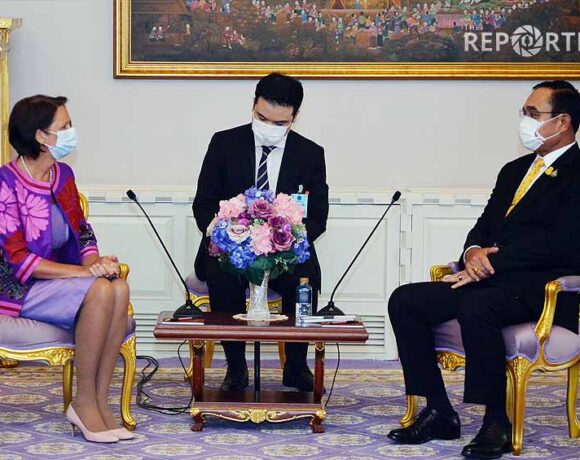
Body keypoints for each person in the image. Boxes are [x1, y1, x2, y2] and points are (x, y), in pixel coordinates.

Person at [387, 80, 580, 459]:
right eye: (524, 112)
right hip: (490, 280)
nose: (525, 121)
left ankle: (496, 422)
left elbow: (560, 243)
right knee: (406, 300)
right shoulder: (514, 169)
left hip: (540, 289)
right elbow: (485, 224)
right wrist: (473, 252)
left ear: (562, 122)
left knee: (478, 307)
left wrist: (489, 264)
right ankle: (439, 410)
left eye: (533, 113)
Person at [1, 95, 133, 443]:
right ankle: (83, 402)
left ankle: (99, 403)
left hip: (63, 282)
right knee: (100, 287)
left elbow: (82, 231)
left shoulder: (63, 175)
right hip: (19, 288)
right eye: (65, 126)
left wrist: (96, 263)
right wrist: (85, 275)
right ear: (40, 136)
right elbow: (17, 259)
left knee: (117, 285)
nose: (72, 131)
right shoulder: (6, 182)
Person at [193, 73, 329, 392]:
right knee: (223, 275)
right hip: (231, 249)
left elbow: (318, 217)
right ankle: (235, 367)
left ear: (295, 117)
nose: (269, 127)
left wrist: (286, 239)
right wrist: (230, 233)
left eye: (280, 123)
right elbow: (203, 204)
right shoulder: (224, 143)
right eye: (262, 118)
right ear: (253, 105)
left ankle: (296, 366)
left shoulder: (310, 153)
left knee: (304, 281)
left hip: (284, 253)